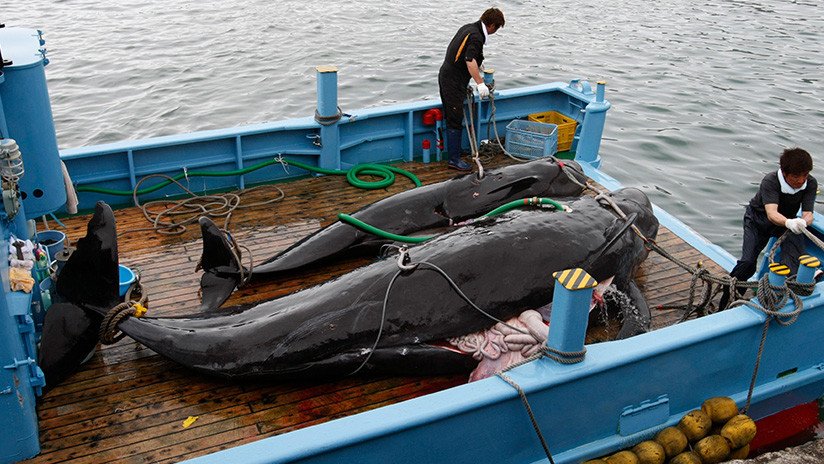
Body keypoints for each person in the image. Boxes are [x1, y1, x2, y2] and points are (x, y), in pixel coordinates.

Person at [720, 147, 818, 309]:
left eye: (805, 175)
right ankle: (728, 299)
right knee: (748, 263)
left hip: (787, 223)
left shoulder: (810, 183)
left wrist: (803, 222)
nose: (801, 180)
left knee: (793, 261)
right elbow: (772, 213)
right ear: (784, 173)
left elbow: (808, 213)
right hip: (758, 221)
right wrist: (789, 223)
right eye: (796, 176)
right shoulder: (771, 181)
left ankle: (780, 301)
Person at [438, 8, 505, 171]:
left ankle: (457, 151)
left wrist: (476, 69)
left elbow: (460, 54)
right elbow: (469, 60)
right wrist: (480, 83)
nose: (494, 33)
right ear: (491, 25)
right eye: (496, 29)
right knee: (454, 118)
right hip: (451, 81)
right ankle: (453, 159)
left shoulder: (469, 27)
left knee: (457, 115)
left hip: (454, 78)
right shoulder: (476, 36)